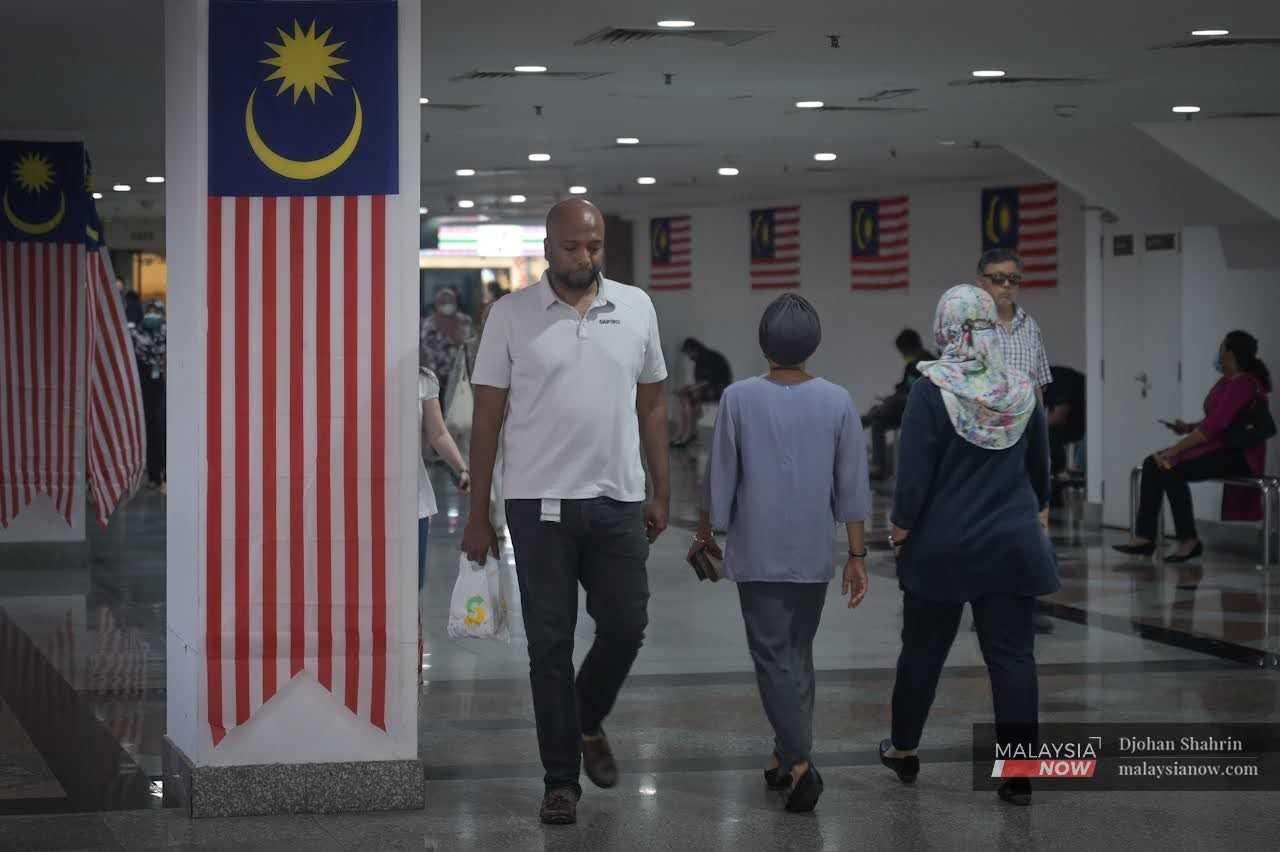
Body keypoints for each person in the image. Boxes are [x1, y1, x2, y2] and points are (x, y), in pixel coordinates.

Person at [461, 199, 671, 826]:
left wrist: (662, 490)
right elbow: (488, 420)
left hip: (617, 499)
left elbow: (653, 404)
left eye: (595, 246)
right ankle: (560, 780)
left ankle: (585, 717)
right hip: (537, 505)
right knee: (549, 645)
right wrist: (479, 514)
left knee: (627, 625)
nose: (586, 258)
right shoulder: (510, 316)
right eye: (574, 247)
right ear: (549, 247)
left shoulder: (636, 307)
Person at [689, 294, 870, 813]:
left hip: (759, 549)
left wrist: (706, 531)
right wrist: (856, 554)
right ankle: (780, 752)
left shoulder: (740, 398)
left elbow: (719, 475)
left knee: (772, 656)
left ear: (763, 343)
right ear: (813, 345)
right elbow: (852, 485)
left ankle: (798, 763)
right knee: (796, 652)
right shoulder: (837, 400)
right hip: (814, 549)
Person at [879, 284, 1057, 807]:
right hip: (1012, 545)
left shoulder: (931, 390)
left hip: (943, 548)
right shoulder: (1020, 389)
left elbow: (912, 478)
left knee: (923, 651)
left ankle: (905, 748)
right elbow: (1041, 475)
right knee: (1012, 657)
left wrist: (902, 527)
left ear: (946, 328)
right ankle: (1019, 773)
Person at [1114, 331, 1272, 562]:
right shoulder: (1227, 382)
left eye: (1221, 347)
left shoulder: (1245, 383)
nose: (1218, 352)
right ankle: (1145, 537)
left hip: (1238, 454)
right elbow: (1215, 420)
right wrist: (1187, 428)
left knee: (1170, 466)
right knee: (1152, 463)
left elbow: (1216, 426)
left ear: (1229, 353)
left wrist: (1175, 450)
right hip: (1218, 447)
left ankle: (1189, 540)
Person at [975, 248, 1055, 633]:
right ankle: (987, 600)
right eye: (997, 278)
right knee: (989, 522)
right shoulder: (971, 330)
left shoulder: (1030, 327)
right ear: (982, 282)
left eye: (1013, 279)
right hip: (986, 441)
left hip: (1026, 439)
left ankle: (1027, 599)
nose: (1006, 286)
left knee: (1032, 519)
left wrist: (1042, 443)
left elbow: (1040, 390)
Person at [416, 363, 469, 673]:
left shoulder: (422, 379)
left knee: (412, 589)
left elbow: (437, 433)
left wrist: (461, 468)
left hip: (414, 503)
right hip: (362, 502)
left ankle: (409, 662)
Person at [862, 328, 935, 480]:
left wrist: (896, 395)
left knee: (880, 414)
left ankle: (865, 421)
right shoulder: (920, 363)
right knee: (879, 417)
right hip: (909, 406)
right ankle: (870, 418)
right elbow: (904, 386)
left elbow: (913, 391)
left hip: (917, 408)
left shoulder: (923, 363)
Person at [129, 301, 167, 492]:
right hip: (146, 390)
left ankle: (164, 474)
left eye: (156, 312)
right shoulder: (137, 334)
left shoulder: (166, 334)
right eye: (150, 311)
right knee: (151, 431)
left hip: (161, 388)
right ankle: (154, 475)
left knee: (162, 431)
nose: (153, 315)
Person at [671, 338, 732, 448]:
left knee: (689, 397)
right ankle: (685, 433)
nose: (689, 358)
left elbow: (708, 381)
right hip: (713, 388)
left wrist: (690, 389)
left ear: (694, 349)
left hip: (720, 389)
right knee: (688, 397)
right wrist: (689, 388)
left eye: (689, 353)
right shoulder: (702, 359)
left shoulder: (708, 359)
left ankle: (686, 434)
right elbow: (701, 383)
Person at [420, 287, 472, 410]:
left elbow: (470, 344)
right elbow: (426, 349)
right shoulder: (430, 323)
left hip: (461, 373)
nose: (447, 305)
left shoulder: (464, 321)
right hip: (437, 376)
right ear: (437, 304)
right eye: (444, 302)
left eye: (450, 301)